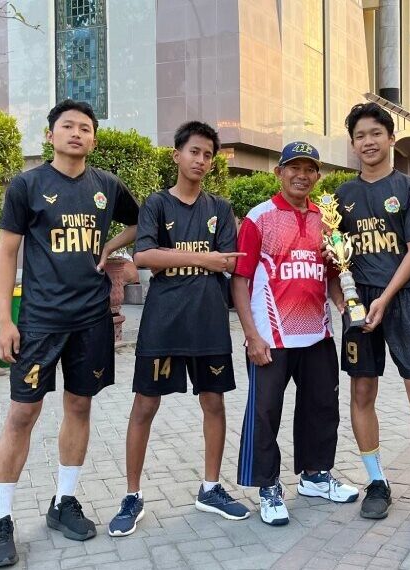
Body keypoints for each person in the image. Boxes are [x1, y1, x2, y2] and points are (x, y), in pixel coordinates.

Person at [0, 100, 140, 568]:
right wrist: (4, 320)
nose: (76, 133)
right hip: (39, 322)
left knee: (79, 405)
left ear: (94, 138)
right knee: (22, 415)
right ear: (50, 136)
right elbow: (7, 254)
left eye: (85, 128)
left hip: (91, 319)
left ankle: (63, 502)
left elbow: (138, 222)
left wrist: (111, 247)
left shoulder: (107, 186)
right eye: (67, 126)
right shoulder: (27, 185)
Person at [108, 121, 249, 537]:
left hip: (208, 322)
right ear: (177, 155)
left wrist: (204, 260)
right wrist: (205, 261)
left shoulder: (220, 209)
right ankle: (132, 495)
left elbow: (232, 261)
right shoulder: (156, 204)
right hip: (163, 322)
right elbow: (146, 255)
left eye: (207, 155)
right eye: (194, 152)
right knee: (144, 406)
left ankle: (210, 488)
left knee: (214, 404)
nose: (201, 161)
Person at [331, 103, 410, 539]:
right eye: (360, 135)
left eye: (376, 133)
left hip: (406, 300)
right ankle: (376, 482)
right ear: (353, 143)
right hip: (359, 305)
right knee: (362, 390)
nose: (368, 142)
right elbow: (335, 256)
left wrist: (386, 297)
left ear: (390, 139)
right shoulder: (338, 196)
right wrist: (341, 298)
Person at [232, 142, 359, 526]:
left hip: (318, 334)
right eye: (294, 168)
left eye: (309, 169)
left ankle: (316, 475)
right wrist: (251, 335)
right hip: (272, 336)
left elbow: (334, 274)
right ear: (279, 172)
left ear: (317, 176)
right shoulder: (260, 217)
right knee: (265, 411)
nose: (301, 175)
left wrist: (344, 307)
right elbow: (240, 281)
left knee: (321, 408)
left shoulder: (326, 220)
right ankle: (267, 486)